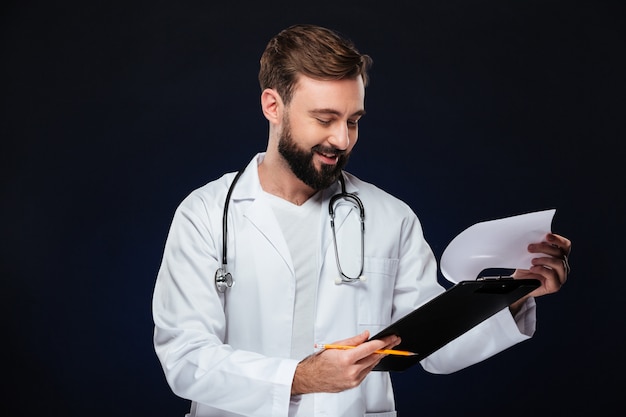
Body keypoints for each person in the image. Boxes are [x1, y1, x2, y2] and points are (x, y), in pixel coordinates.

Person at [152, 24, 572, 417]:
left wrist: (516, 291)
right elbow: (186, 358)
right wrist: (302, 377)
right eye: (325, 119)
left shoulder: (391, 217)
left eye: (353, 121)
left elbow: (432, 349)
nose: (342, 139)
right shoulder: (206, 214)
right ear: (272, 106)